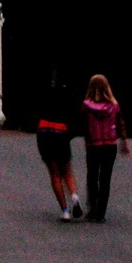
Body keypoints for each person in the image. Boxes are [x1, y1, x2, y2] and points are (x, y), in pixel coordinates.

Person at [81, 74, 130, 223]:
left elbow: (82, 125)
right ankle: (101, 213)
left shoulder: (86, 106)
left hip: (93, 145)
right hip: (109, 145)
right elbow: (121, 123)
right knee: (105, 179)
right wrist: (124, 141)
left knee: (92, 177)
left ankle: (92, 208)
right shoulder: (114, 106)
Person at [36, 82, 83, 222]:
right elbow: (75, 119)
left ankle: (65, 211)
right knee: (67, 171)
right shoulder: (68, 98)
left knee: (54, 173)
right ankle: (74, 196)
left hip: (44, 131)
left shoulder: (44, 95)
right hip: (61, 132)